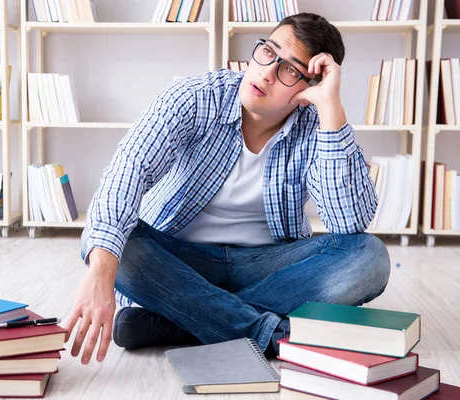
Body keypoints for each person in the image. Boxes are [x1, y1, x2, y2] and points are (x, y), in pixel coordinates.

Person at [62, 12, 391, 365]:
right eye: (268, 52)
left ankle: (183, 321)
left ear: (309, 89)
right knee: (105, 243)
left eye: (290, 70)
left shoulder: (317, 125)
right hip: (178, 259)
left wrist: (331, 109)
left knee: (369, 257)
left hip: (270, 265)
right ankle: (266, 332)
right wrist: (99, 272)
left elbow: (349, 223)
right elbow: (128, 171)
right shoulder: (195, 97)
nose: (266, 72)